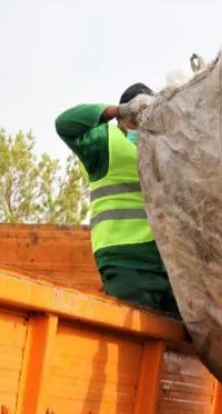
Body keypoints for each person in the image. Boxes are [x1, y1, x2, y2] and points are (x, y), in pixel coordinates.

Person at [55, 84, 179, 315]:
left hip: (169, 266)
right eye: (138, 116)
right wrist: (118, 110)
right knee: (133, 340)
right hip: (127, 262)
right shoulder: (107, 144)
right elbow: (65, 124)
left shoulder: (166, 149)